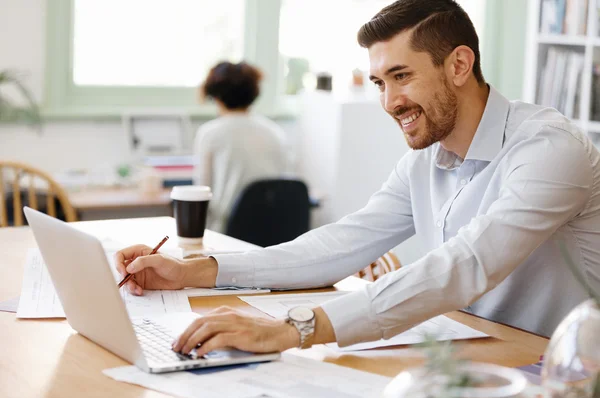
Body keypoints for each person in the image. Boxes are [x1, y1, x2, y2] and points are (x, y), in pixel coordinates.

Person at [116, 0, 600, 357]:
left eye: (402, 76)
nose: (389, 102)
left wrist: (295, 328)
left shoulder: (550, 149)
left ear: (459, 64)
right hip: (473, 355)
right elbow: (338, 245)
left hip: (561, 370)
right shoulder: (426, 160)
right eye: (379, 83)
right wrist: (195, 270)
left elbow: (467, 264)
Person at [193, 61, 289, 232]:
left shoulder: (210, 133)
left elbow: (201, 193)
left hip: (227, 232)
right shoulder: (275, 131)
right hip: (275, 232)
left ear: (215, 96)